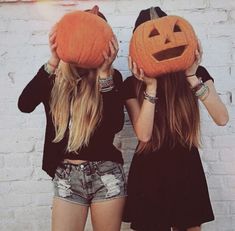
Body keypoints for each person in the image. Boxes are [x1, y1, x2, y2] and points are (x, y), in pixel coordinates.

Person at [18, 7, 126, 231]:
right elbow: (24, 104)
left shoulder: (111, 78)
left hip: (105, 173)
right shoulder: (53, 78)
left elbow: (115, 124)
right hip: (67, 176)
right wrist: (53, 59)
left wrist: (105, 76)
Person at [122, 7, 229, 231]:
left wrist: (191, 77)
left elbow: (221, 118)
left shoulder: (197, 74)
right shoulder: (132, 84)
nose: (164, 40)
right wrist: (151, 86)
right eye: (152, 36)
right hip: (148, 173)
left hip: (186, 168)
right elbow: (144, 134)